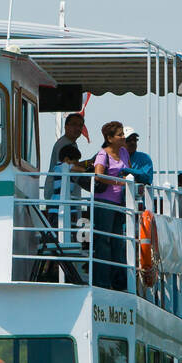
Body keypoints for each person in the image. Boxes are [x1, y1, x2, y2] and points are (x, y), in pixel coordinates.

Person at [92, 121, 131, 290]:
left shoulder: (123, 152)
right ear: (109, 138)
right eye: (120, 134)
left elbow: (128, 171)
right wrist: (119, 182)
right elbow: (98, 176)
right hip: (104, 202)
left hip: (120, 202)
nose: (123, 137)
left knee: (117, 242)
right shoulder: (103, 154)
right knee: (103, 241)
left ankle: (118, 281)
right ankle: (102, 281)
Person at [44, 112, 86, 199]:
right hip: (59, 194)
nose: (77, 128)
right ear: (66, 126)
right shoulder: (63, 144)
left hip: (66, 192)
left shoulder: (72, 144)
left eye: (80, 125)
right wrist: (86, 165)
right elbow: (66, 166)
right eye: (74, 124)